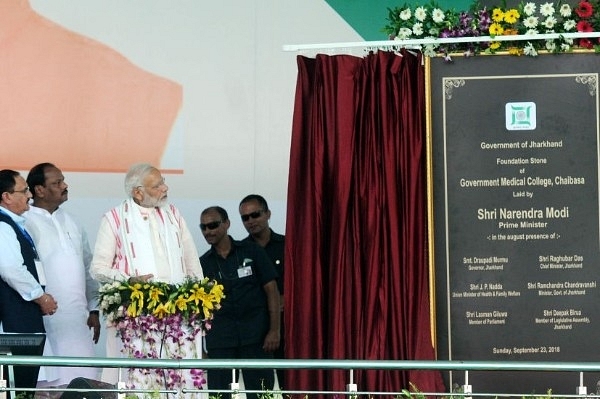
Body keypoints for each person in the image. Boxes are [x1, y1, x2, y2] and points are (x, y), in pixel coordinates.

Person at [90, 163, 203, 383]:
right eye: (158, 185)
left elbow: (191, 260)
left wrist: (198, 299)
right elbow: (98, 268)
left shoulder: (173, 214)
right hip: (135, 317)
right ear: (138, 192)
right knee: (138, 381)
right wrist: (129, 280)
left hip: (177, 316)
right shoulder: (114, 219)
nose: (165, 188)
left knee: (178, 379)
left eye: (163, 182)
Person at [25, 163, 100, 395]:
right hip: (44, 320)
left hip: (78, 321)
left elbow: (88, 267)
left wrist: (94, 309)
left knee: (83, 384)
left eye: (63, 180)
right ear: (39, 190)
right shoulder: (25, 221)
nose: (65, 186)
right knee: (48, 385)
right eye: (57, 183)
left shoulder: (73, 222)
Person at [199, 206, 280, 399]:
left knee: (262, 395)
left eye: (213, 225)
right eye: (203, 227)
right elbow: (198, 308)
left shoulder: (252, 251)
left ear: (227, 224)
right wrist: (198, 347)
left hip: (256, 338)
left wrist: (274, 330)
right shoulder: (202, 263)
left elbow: (272, 290)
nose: (208, 231)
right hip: (220, 340)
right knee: (219, 396)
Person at [0, 169, 58, 397]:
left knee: (26, 384)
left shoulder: (17, 224)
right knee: (16, 384)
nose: (29, 196)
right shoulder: (3, 225)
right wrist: (40, 296)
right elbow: (10, 269)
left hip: (24, 315)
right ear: (6, 197)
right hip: (13, 318)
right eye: (23, 190)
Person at [238, 195, 285, 389]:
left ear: (268, 214)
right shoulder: (240, 251)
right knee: (258, 390)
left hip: (286, 327)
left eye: (255, 215)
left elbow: (303, 284)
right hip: (254, 332)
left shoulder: (287, 246)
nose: (250, 221)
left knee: (291, 387)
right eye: (245, 218)